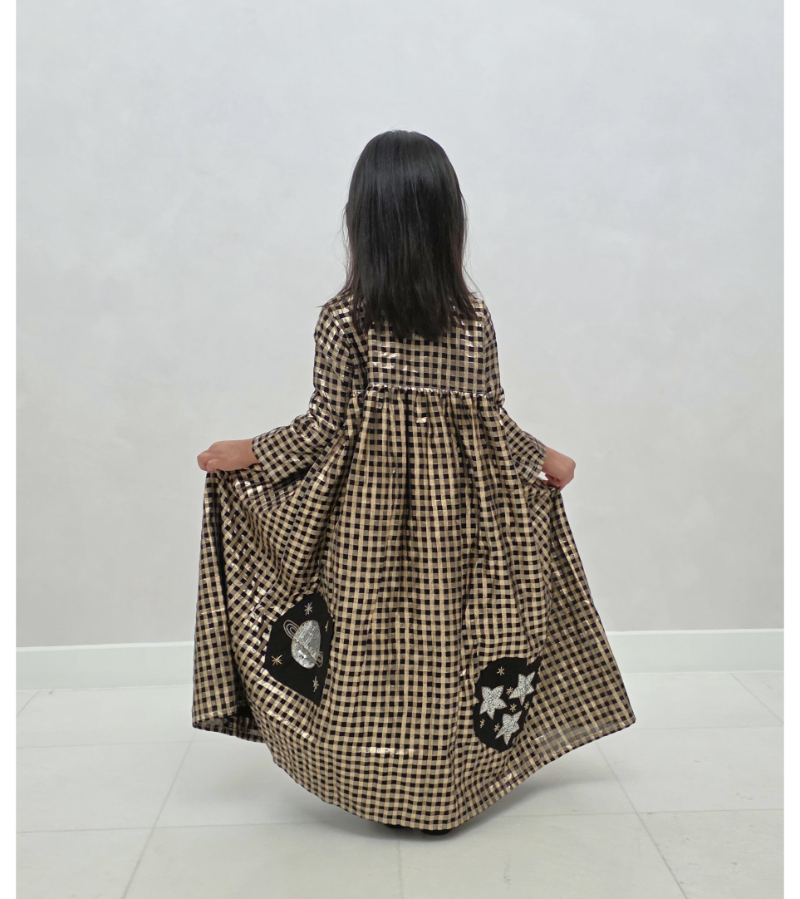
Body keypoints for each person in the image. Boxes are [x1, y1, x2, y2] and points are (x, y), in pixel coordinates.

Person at [192, 130, 635, 835]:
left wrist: (249, 453)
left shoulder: (347, 319)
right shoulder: (471, 319)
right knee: (452, 643)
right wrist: (543, 454)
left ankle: (381, 777)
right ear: (446, 220)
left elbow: (322, 429)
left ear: (363, 222)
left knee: (374, 649)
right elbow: (493, 422)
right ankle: (445, 783)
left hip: (368, 533)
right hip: (462, 525)